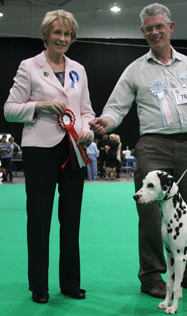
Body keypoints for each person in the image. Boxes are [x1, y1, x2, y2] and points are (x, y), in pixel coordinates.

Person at [90, 3, 187, 299]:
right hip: (152, 146)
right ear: (143, 32)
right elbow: (116, 107)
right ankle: (152, 276)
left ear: (170, 27)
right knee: (150, 214)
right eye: (149, 28)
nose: (154, 32)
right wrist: (106, 121)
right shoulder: (135, 70)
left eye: (159, 26)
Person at [4, 10, 95, 303]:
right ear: (46, 34)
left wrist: (86, 131)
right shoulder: (29, 66)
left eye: (68, 34)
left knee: (71, 220)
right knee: (39, 220)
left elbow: (86, 111)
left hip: (73, 150)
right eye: (57, 33)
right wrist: (40, 105)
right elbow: (9, 109)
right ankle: (39, 286)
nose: (63, 39)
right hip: (39, 151)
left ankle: (70, 283)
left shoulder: (78, 69)